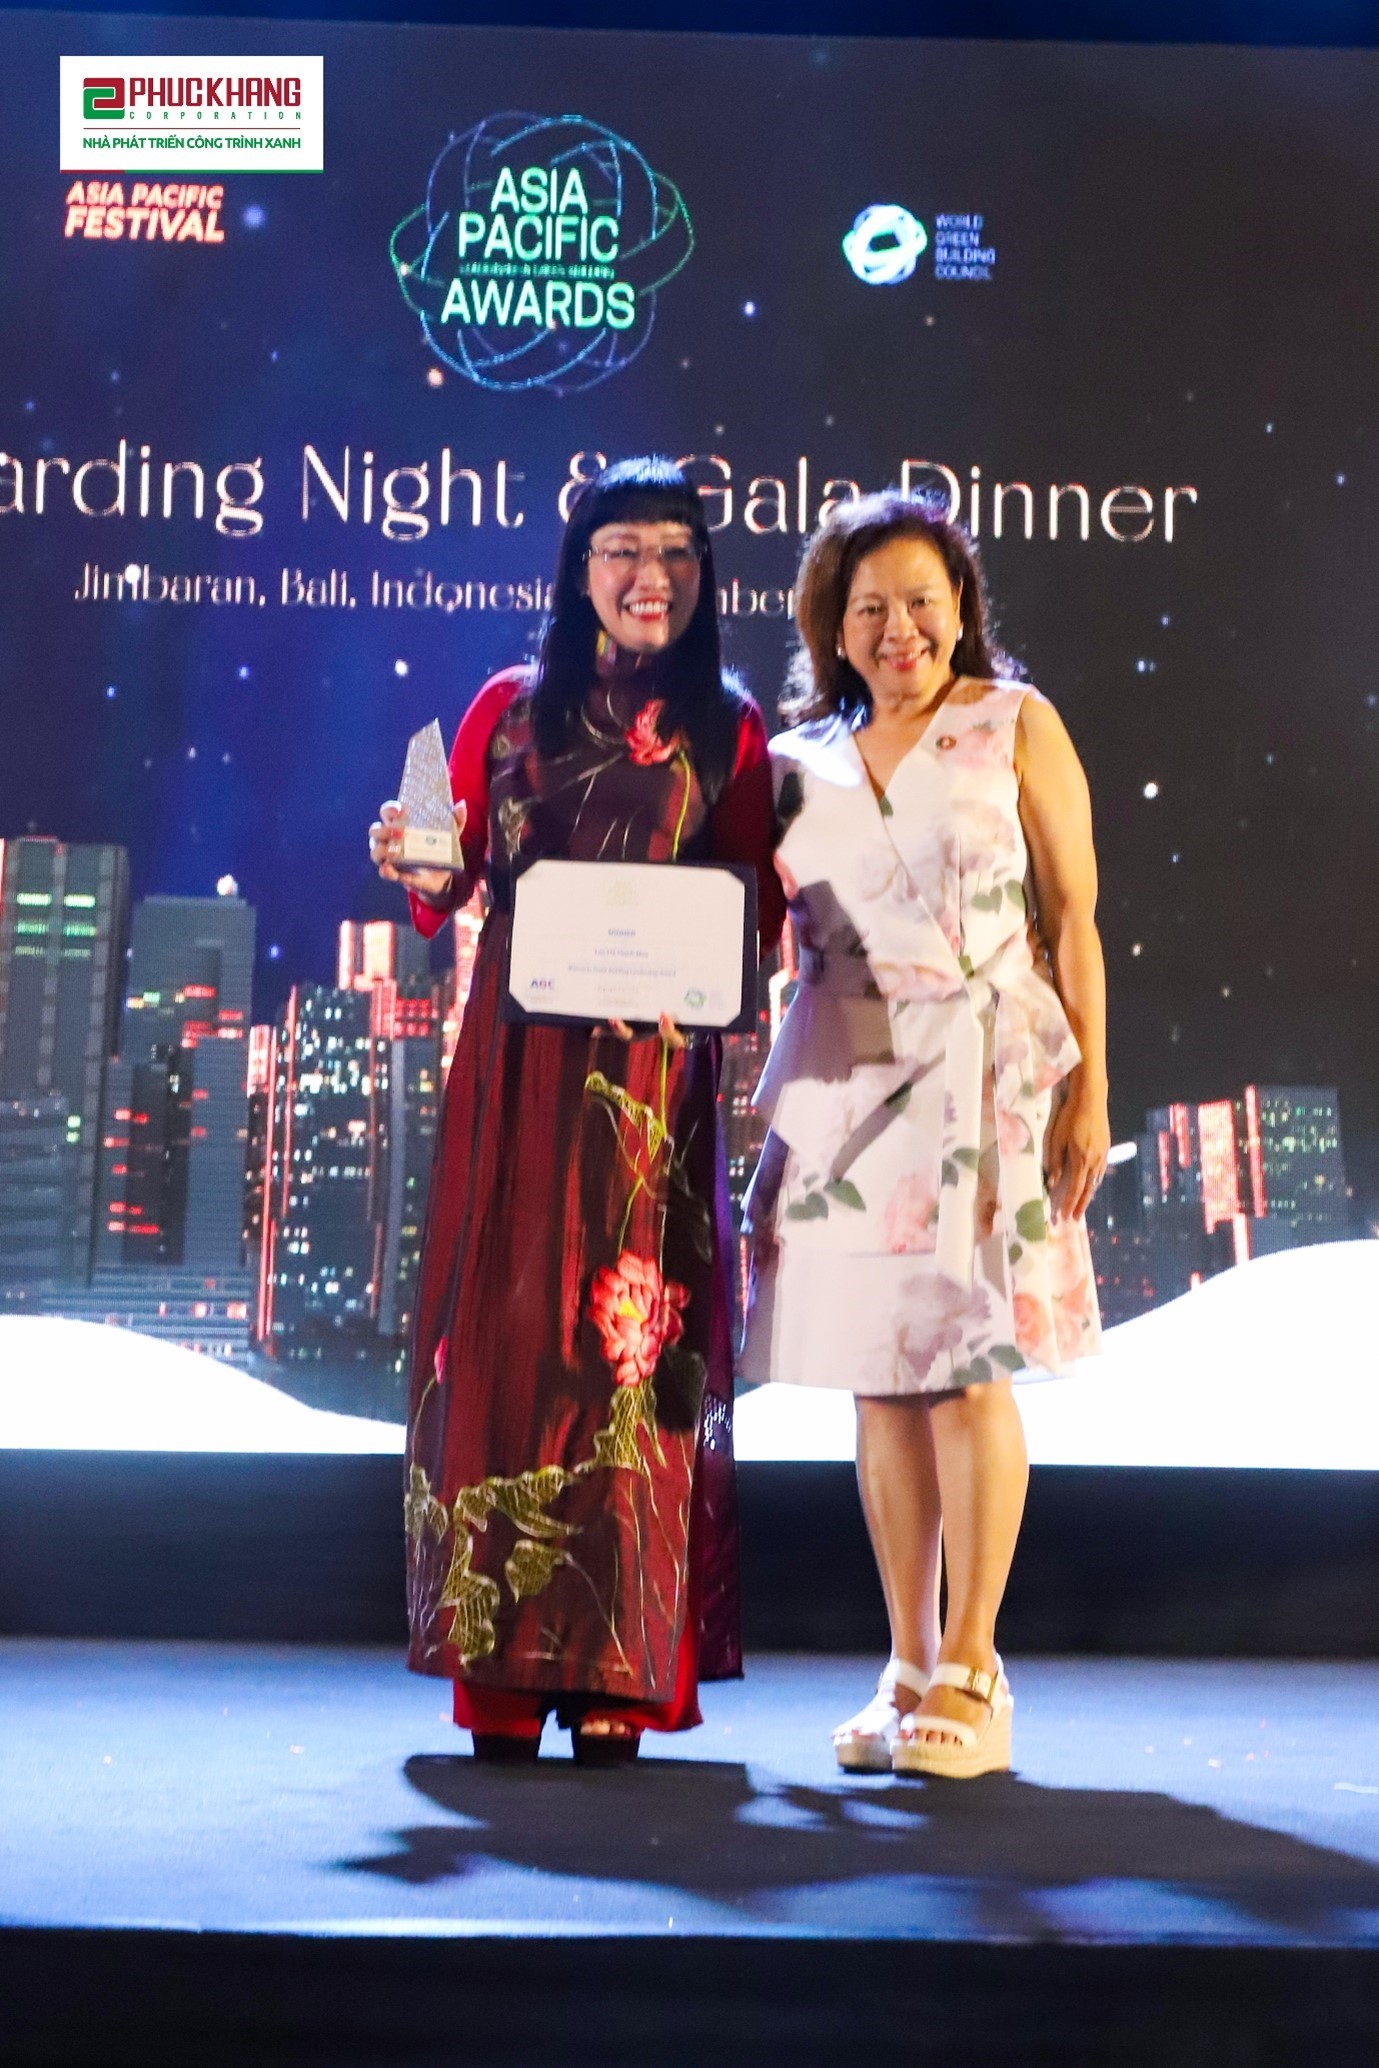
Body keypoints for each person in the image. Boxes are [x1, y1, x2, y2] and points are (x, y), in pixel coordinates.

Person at [370, 458, 783, 1765]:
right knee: (500, 1352)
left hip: (651, 1099)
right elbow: (450, 883)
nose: (645, 573)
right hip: (513, 1077)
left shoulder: (730, 728)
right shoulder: (504, 707)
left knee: (632, 1375)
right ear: (579, 568)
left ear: (703, 577)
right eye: (619, 547)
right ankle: (495, 1679)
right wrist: (417, 863)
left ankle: (621, 1671)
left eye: (672, 549)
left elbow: (752, 918)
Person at [740, 492, 1107, 1779]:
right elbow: (781, 946)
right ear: (831, 629)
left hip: (990, 1069)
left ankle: (972, 1665)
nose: (897, 627)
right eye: (868, 607)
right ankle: (902, 1666)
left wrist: (1090, 1090)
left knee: (966, 1367)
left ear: (961, 608)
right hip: (848, 1080)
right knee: (878, 1381)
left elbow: (1072, 918)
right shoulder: (792, 761)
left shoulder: (1015, 724)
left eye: (920, 600)